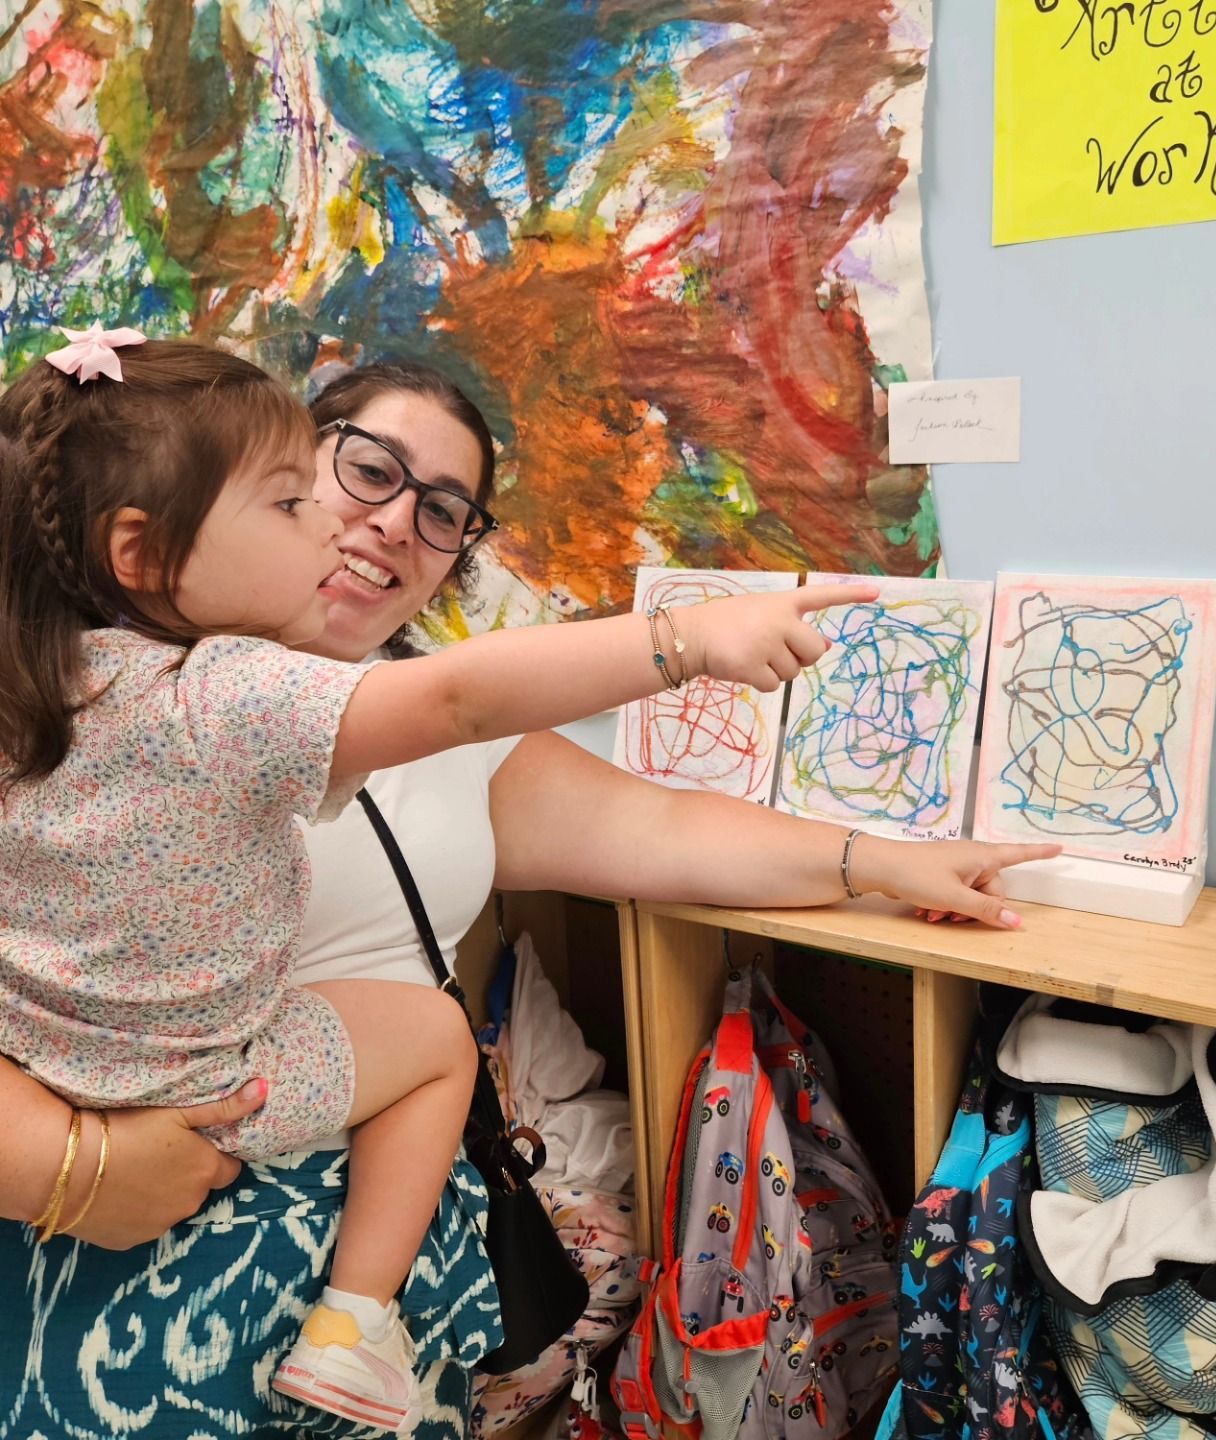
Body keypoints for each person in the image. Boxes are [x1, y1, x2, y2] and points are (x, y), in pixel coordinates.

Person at [0, 353, 1059, 1440]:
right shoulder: (109, 699)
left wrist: (882, 860)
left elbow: (663, 830)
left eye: (444, 510)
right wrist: (77, 1166)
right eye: (365, 471)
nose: (393, 523)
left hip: (373, 1255)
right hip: (124, 1238)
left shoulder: (424, 732)